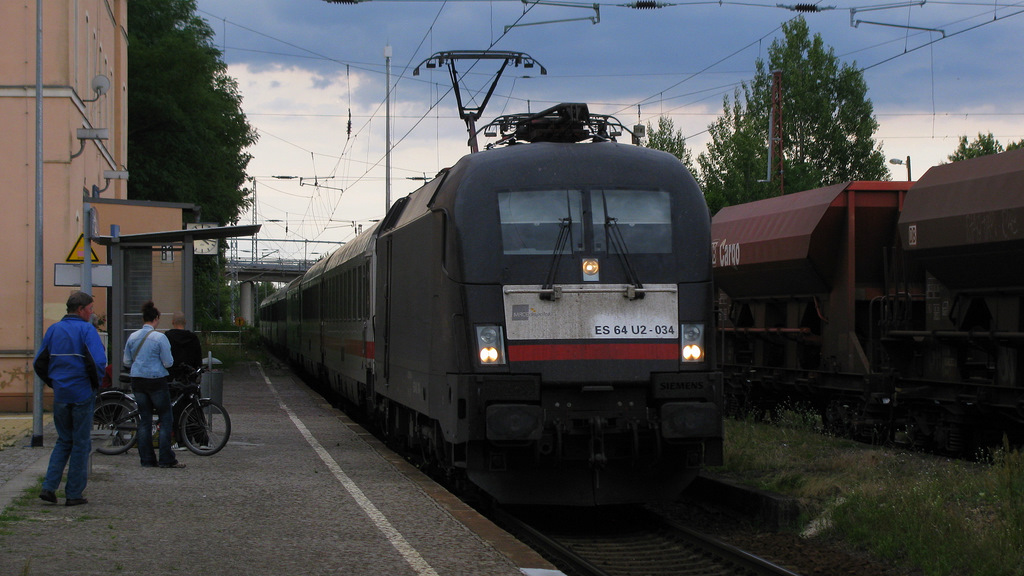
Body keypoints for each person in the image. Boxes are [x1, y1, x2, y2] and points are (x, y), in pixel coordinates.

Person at [33, 291, 107, 506]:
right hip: (82, 392)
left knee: (63, 440)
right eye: (91, 309)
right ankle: (73, 493)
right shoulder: (86, 330)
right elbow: (98, 362)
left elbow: (39, 361)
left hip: (61, 393)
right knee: (81, 443)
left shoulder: (54, 330)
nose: (92, 313)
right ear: (81, 309)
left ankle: (49, 486)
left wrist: (53, 382)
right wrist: (95, 384)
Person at [123, 301, 185, 469]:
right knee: (166, 419)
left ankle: (147, 460)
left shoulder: (133, 337)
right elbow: (168, 362)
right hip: (156, 381)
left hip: (137, 380)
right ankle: (166, 459)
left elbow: (127, 361)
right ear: (156, 319)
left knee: (145, 420)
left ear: (143, 319)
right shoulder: (160, 338)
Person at [165, 311, 203, 380]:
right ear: (185, 322)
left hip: (171, 378)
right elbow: (198, 360)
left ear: (173, 322)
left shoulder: (167, 337)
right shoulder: (193, 338)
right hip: (189, 377)